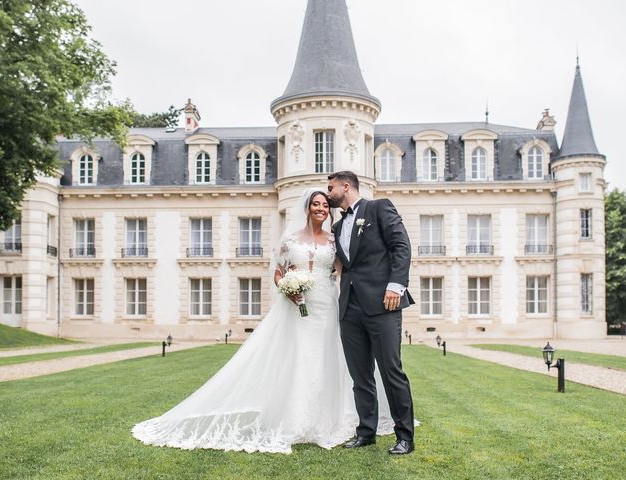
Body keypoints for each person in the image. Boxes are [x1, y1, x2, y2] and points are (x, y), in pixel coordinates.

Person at [132, 189, 395, 454]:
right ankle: (296, 419)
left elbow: (342, 270)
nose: (321, 208)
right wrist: (288, 288)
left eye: (325, 205)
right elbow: (278, 273)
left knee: (326, 359)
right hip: (298, 307)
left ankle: (328, 419)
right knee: (300, 358)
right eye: (316, 204)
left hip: (327, 305)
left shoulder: (334, 239)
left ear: (329, 210)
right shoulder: (290, 240)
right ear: (307, 208)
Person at [327, 171, 415, 455]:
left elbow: (401, 246)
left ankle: (404, 437)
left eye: (330, 188)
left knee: (391, 371)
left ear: (345, 186)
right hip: (349, 307)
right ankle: (366, 431)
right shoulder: (338, 227)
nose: (328, 193)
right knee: (360, 375)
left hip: (383, 304)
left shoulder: (379, 208)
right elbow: (345, 265)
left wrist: (396, 285)